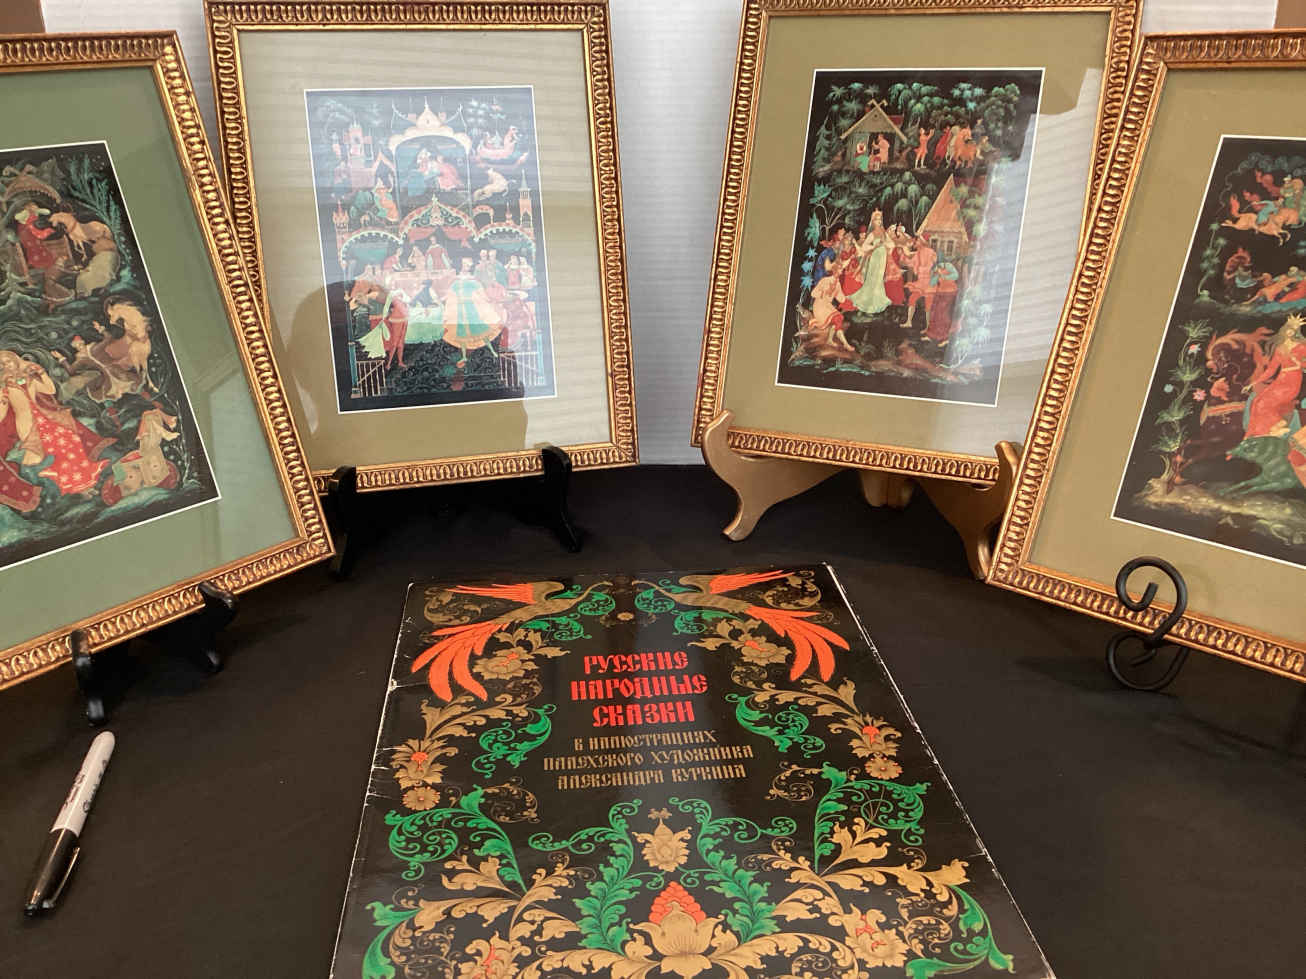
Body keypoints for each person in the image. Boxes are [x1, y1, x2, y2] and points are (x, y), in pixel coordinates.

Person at [0, 349, 110, 502]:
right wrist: (2, 400)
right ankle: (77, 485)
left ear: (15, 360)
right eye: (2, 364)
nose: (7, 365)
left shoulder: (28, 378)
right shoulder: (3, 389)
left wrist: (42, 373)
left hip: (45, 419)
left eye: (8, 361)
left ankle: (85, 482)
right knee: (59, 448)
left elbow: (50, 390)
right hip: (29, 427)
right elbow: (2, 415)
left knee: (72, 439)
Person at [1243, 314, 1306, 438]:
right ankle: (1258, 433)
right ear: (1284, 330)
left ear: (1296, 332)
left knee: (1265, 402)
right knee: (1257, 401)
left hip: (1292, 381)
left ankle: (1276, 426)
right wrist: (1254, 383)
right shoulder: (1280, 349)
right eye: (1289, 329)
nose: (1290, 332)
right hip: (1279, 381)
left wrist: (1299, 363)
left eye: (1294, 330)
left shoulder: (1301, 347)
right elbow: (1271, 370)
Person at [442, 257, 504, 366]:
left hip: (471, 308)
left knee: (481, 330)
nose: (466, 266)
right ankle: (464, 356)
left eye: (468, 265)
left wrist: (488, 299)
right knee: (462, 334)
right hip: (460, 310)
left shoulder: (473, 280)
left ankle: (492, 351)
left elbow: (481, 292)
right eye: (464, 264)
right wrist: (442, 300)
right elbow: (450, 294)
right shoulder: (455, 281)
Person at [848, 212, 892, 316]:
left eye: (880, 219)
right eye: (876, 219)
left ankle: (876, 303)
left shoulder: (884, 232)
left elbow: (892, 244)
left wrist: (884, 243)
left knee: (879, 280)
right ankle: (867, 306)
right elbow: (864, 246)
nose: (879, 221)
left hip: (882, 257)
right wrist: (874, 246)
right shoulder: (872, 234)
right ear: (873, 221)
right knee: (872, 280)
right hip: (875, 257)